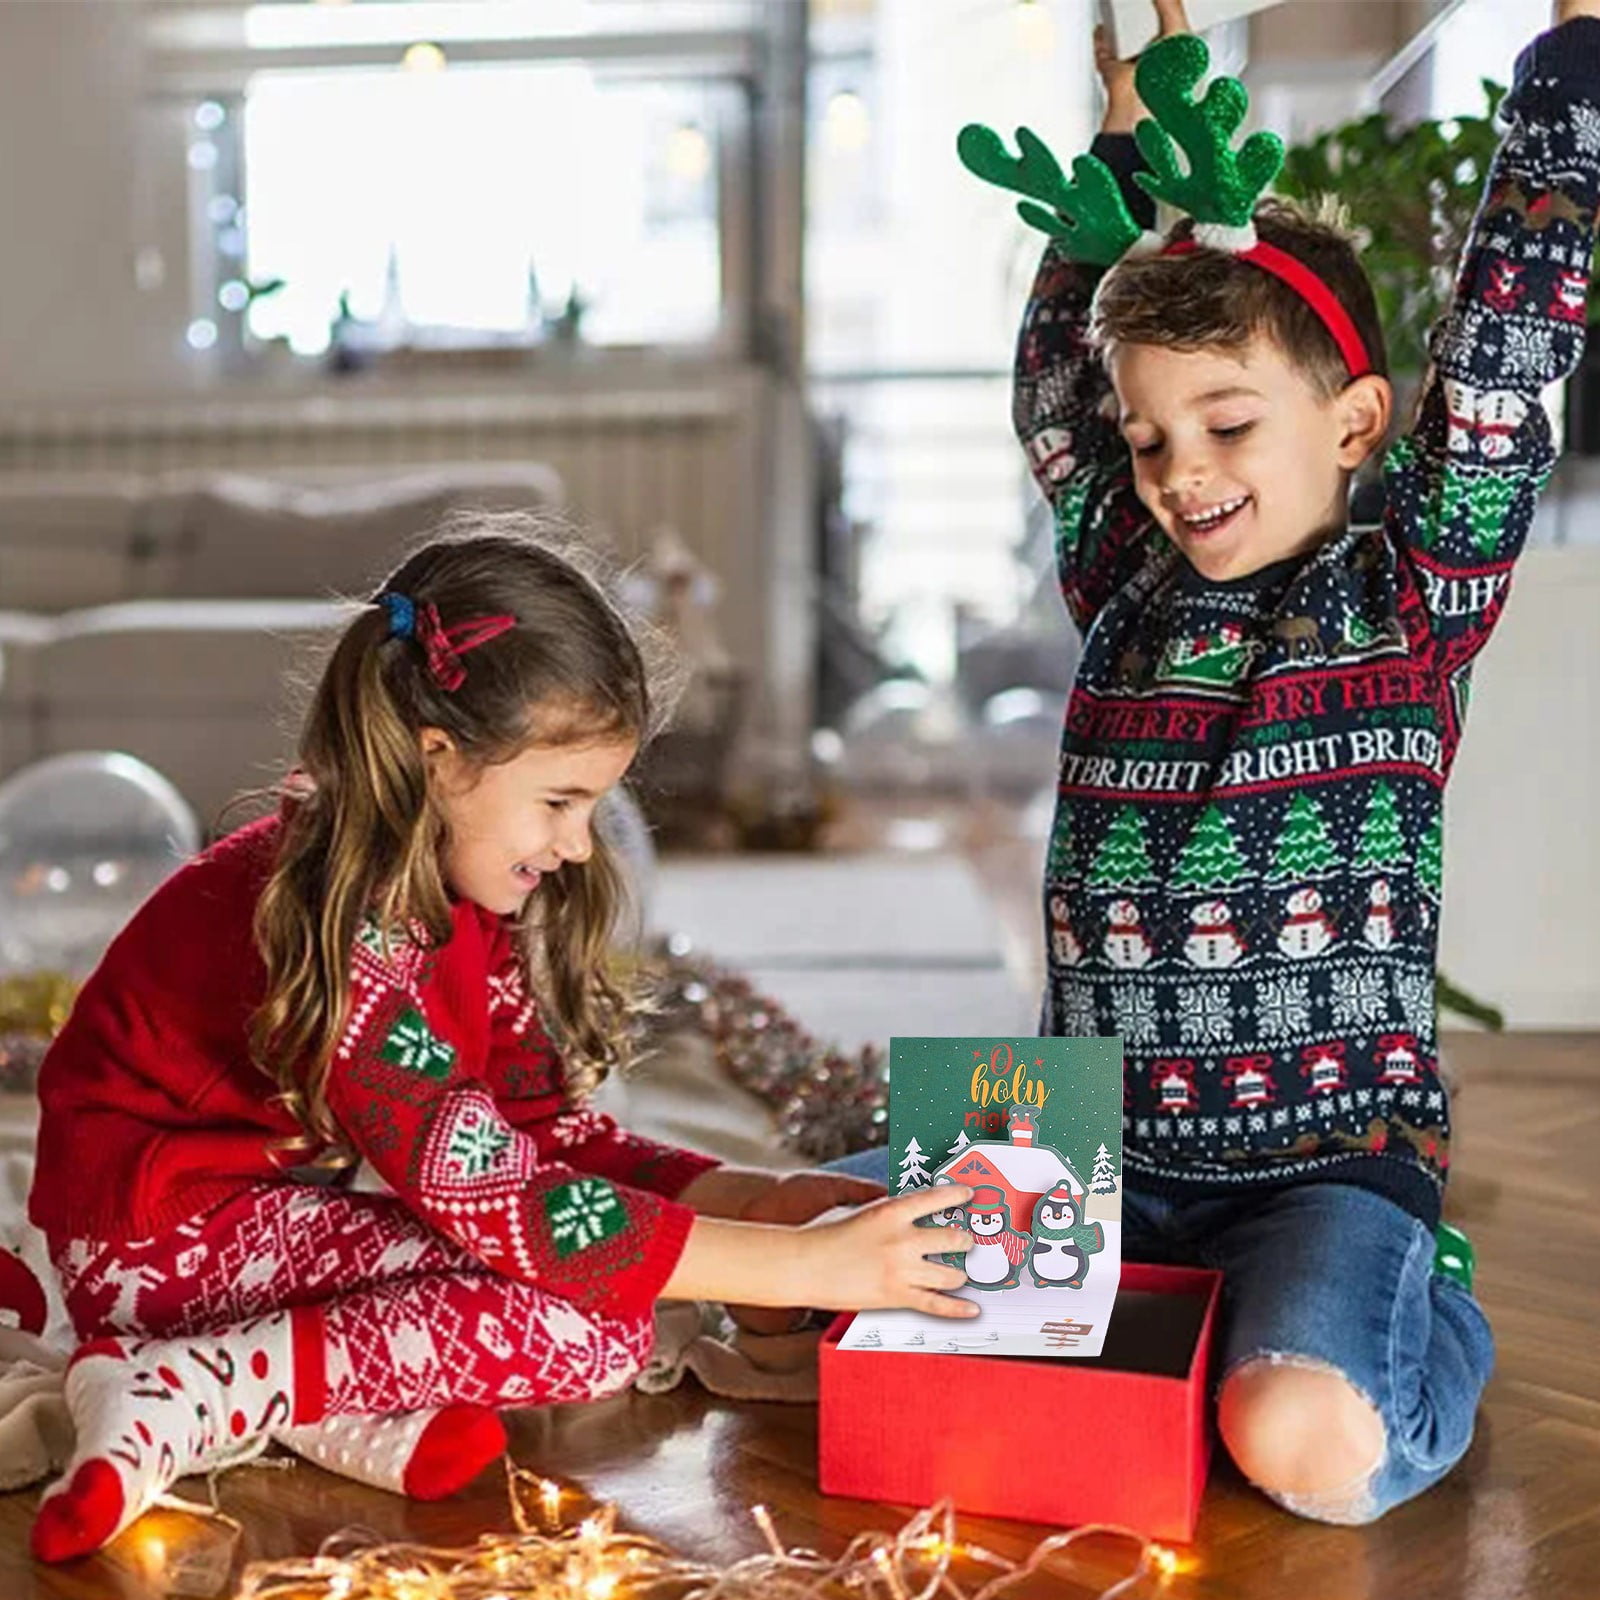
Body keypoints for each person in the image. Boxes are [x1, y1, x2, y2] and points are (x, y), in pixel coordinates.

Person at [851, 0, 1600, 1524]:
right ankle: (1150, 1327)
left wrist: (1573, 67)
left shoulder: (1409, 595)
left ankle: (1409, 1308)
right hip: (1090, 1143)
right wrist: (1118, 141)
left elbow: (1511, 351)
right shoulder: (1122, 578)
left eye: (1230, 422)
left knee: (1306, 1447)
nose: (1181, 468)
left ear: (1358, 423)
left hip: (1322, 1162)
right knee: (813, 1296)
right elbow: (1063, 379)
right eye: (1152, 439)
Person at [26, 517, 978, 1562]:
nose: (577, 846)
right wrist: (795, 1270)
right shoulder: (350, 924)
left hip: (280, 1208)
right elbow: (506, 1201)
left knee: (597, 1286)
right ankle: (197, 1381)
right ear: (439, 761)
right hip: (150, 1235)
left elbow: (535, 1139)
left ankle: (285, 1390)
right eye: (560, 802)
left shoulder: (466, 898)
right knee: (598, 1325)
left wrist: (744, 1198)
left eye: (594, 806)